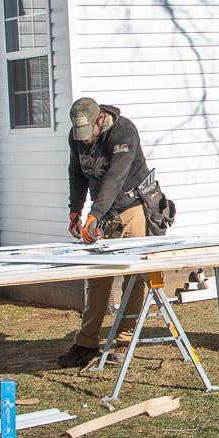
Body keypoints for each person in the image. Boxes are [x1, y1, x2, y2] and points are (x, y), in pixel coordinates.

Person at [59, 97, 157, 369]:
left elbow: (114, 179)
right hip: (103, 212)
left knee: (133, 276)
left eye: (88, 133)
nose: (85, 140)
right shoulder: (77, 136)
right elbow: (76, 173)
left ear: (99, 119)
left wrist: (94, 215)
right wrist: (75, 211)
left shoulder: (124, 133)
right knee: (98, 276)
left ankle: (125, 340)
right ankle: (86, 344)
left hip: (132, 207)